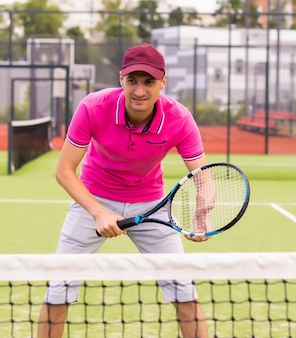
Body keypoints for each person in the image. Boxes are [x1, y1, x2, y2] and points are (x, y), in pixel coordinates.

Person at [37, 43, 210, 338]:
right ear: (121, 79)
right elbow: (64, 171)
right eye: (133, 81)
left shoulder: (179, 118)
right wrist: (98, 212)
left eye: (149, 82)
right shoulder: (93, 107)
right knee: (59, 288)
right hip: (93, 197)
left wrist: (202, 213)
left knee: (184, 291)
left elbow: (203, 176)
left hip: (151, 204)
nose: (139, 91)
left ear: (163, 82)